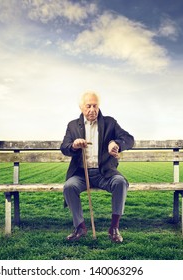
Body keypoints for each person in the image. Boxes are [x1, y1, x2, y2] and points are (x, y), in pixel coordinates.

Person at [60, 91, 135, 243]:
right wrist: (74, 145)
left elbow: (129, 139)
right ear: (81, 107)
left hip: (104, 173)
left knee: (120, 182)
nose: (92, 109)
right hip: (82, 174)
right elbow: (64, 147)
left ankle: (114, 228)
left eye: (95, 106)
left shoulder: (110, 123)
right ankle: (80, 227)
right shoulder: (73, 125)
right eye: (89, 106)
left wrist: (116, 144)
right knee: (69, 186)